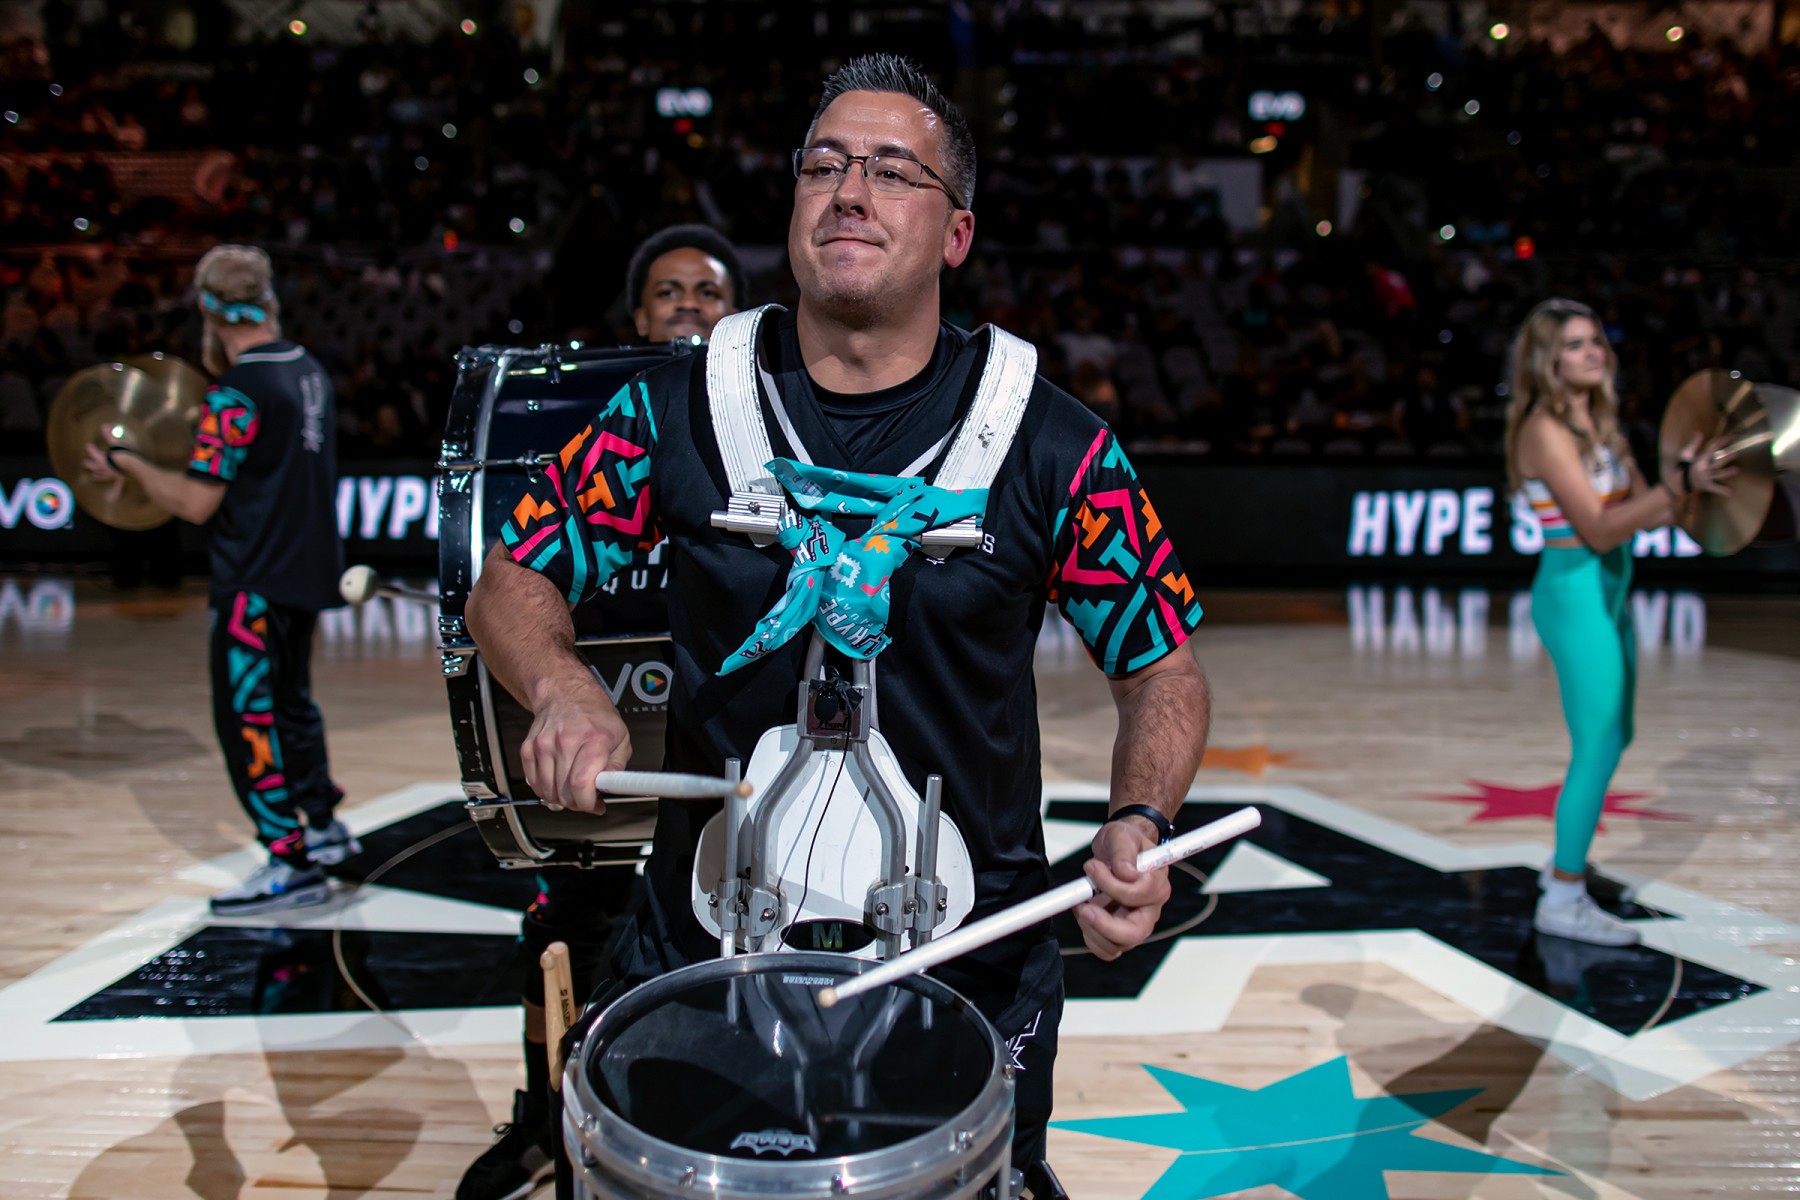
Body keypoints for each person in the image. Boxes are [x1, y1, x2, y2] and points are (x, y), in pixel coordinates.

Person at [464, 54, 1211, 1184]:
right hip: (706, 949)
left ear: (957, 233)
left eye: (893, 172)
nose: (850, 192)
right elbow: (509, 580)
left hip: (971, 961)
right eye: (824, 166)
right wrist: (564, 688)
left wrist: (1140, 822)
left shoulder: (1053, 444)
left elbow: (1162, 671)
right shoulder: (672, 408)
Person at [456, 225, 741, 1200]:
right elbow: (520, 577)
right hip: (612, 727)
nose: (689, 305)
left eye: (708, 291)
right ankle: (545, 1119)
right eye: (669, 292)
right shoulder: (611, 427)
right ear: (637, 316)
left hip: (725, 740)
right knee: (562, 925)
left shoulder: (763, 421)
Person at [83, 244, 354, 914]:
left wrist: (129, 462)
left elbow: (197, 502)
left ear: (207, 309)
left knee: (248, 717)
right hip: (304, 570)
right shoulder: (307, 369)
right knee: (293, 705)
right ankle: (324, 827)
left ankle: (288, 859)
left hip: (252, 580)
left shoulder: (237, 390)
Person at [1503, 298, 1734, 946]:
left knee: (1617, 734)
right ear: (1548, 360)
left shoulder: (1599, 422)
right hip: (1573, 593)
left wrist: (1690, 478)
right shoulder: (1544, 429)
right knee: (1598, 743)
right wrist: (1678, 484)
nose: (1593, 353)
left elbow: (1652, 509)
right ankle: (1562, 899)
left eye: (1596, 341)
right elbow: (1601, 529)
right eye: (1575, 344)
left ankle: (1566, 864)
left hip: (1610, 588)